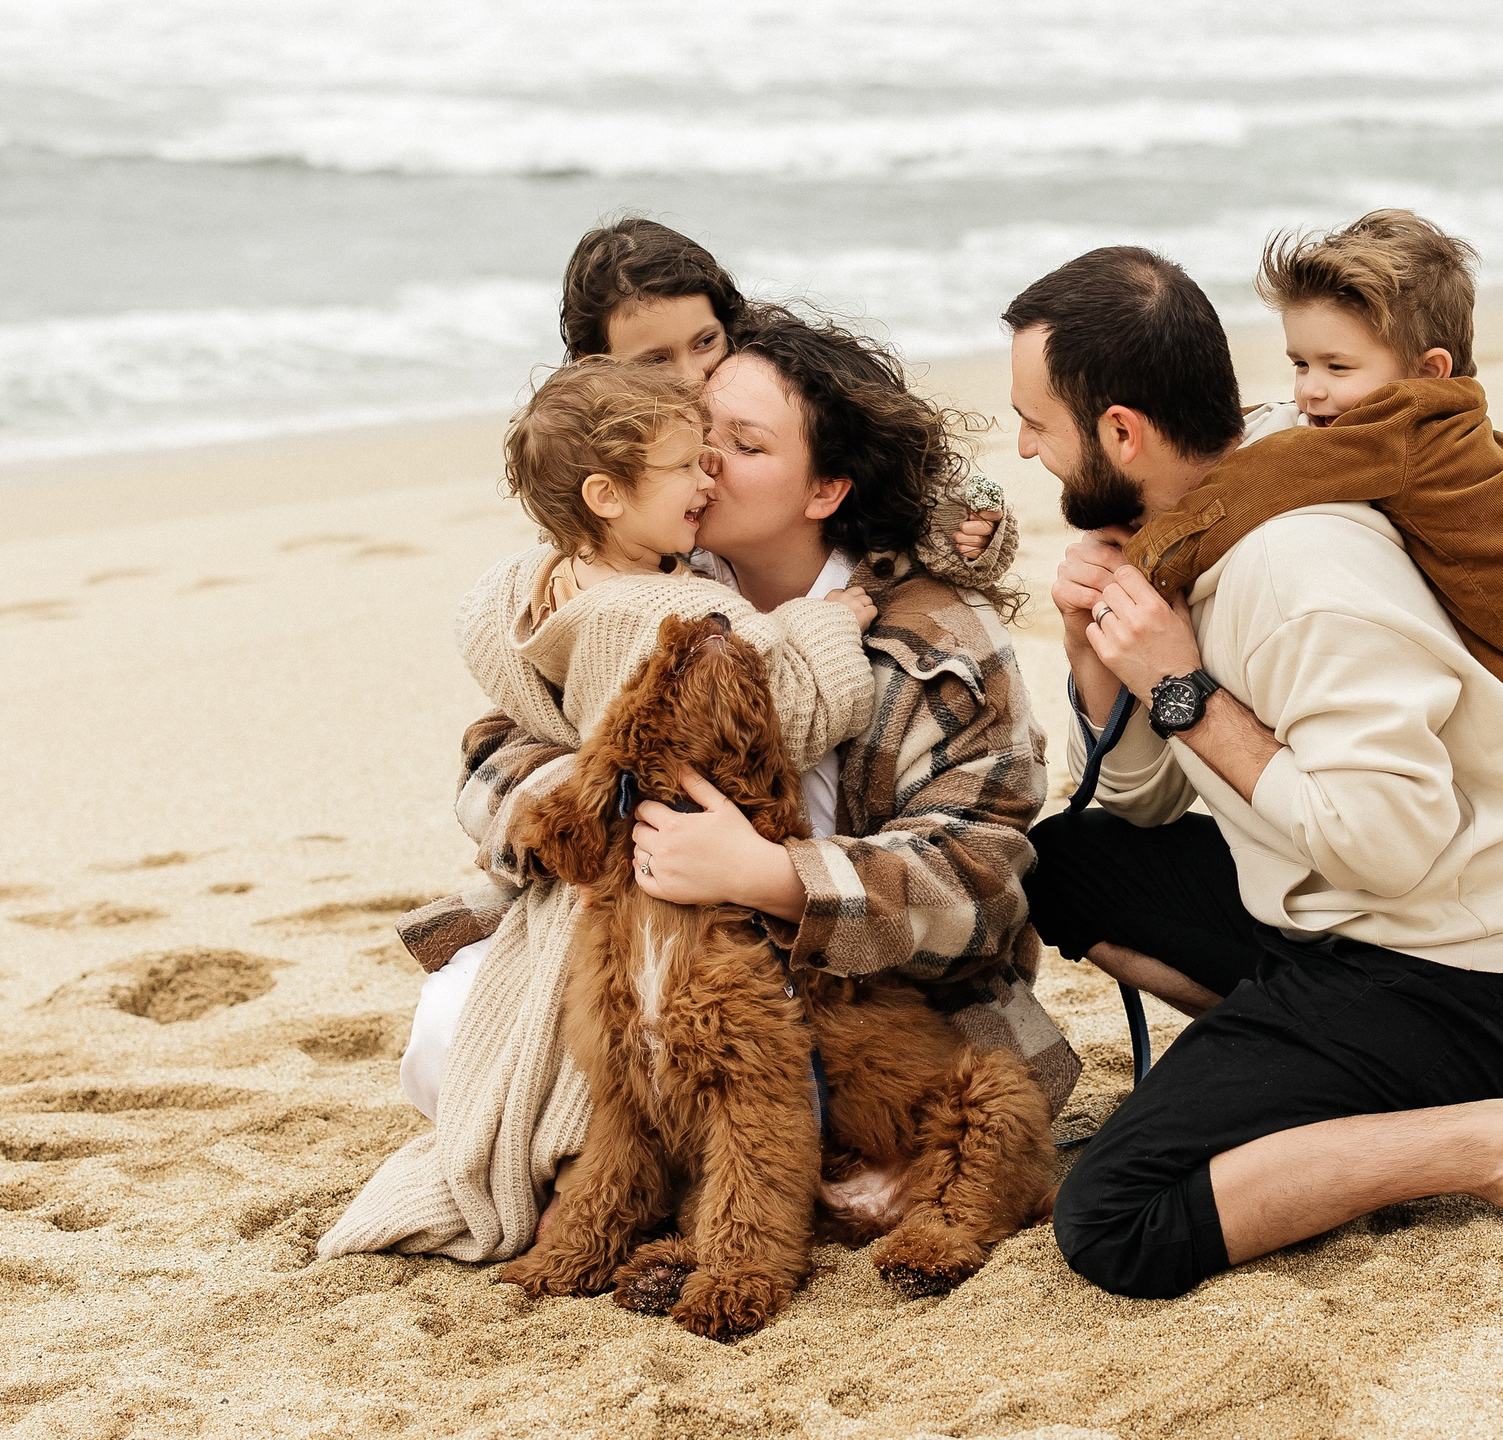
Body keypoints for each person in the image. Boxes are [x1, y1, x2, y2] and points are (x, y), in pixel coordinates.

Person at [319, 303, 1073, 1265]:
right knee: (446, 1035)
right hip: (661, 959)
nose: (706, 465)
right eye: (698, 437)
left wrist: (768, 875)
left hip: (866, 999)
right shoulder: (628, 582)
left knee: (846, 1090)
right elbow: (490, 758)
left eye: (745, 446)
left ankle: (738, 1187)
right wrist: (609, 800)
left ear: (827, 487)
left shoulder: (930, 637)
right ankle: (657, 1179)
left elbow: (980, 872)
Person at [1009, 246, 1503, 1301]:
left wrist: (1186, 688)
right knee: (1060, 861)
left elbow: (1387, 844)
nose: (1022, 448)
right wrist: (1094, 651)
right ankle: (1292, 1076)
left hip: (1445, 976)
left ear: (1119, 433)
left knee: (1113, 1223)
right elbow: (1135, 803)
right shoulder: (1192, 531)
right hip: (1319, 925)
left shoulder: (1296, 572)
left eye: (1037, 424)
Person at [1122, 209, 1503, 938]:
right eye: (1299, 363)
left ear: (1428, 374)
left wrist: (1147, 561)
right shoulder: (1418, 429)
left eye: (1337, 368)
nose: (1308, 394)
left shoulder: (1403, 436)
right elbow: (1278, 448)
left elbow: (1263, 479)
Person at [562, 214, 1009, 569]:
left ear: (727, 323)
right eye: (655, 362)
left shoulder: (765, 374)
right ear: (594, 367)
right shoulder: (584, 451)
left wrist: (967, 523)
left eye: (705, 342)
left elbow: (894, 463)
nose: (691, 377)